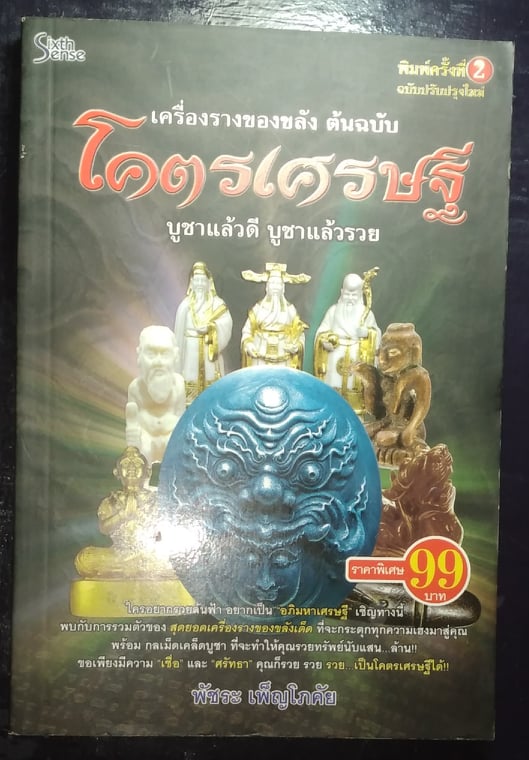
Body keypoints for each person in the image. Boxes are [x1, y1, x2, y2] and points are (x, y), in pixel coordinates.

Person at [74, 446, 173, 579]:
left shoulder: (156, 500)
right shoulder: (110, 501)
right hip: (119, 553)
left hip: (148, 553)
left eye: (137, 464)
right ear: (117, 472)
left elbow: (163, 530)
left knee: (177, 559)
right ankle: (136, 567)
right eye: (126, 464)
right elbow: (104, 528)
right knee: (84, 559)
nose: (131, 467)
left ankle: (128, 567)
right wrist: (123, 515)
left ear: (148, 472)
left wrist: (140, 515)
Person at [314, 269, 381, 416]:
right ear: (342, 292)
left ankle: (356, 414)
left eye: (354, 295)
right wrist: (325, 341)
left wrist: (367, 333)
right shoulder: (333, 311)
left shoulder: (366, 314)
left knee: (355, 386)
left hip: (356, 355)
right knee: (333, 388)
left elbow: (375, 334)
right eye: (347, 294)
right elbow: (321, 332)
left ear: (360, 295)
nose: (350, 298)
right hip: (335, 355)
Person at [174, 261, 232, 404]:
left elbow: (226, 323)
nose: (199, 284)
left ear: (208, 283)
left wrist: (211, 328)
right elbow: (179, 333)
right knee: (189, 379)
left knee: (210, 383)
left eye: (202, 280)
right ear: (192, 283)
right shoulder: (185, 306)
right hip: (190, 350)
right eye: (197, 280)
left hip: (208, 350)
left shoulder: (217, 304)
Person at [126, 325, 186, 465]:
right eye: (151, 354)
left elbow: (182, 418)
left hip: (171, 436)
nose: (158, 361)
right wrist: (132, 434)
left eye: (165, 354)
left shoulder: (179, 386)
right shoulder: (136, 388)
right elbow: (132, 420)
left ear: (175, 356)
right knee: (143, 452)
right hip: (145, 437)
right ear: (139, 355)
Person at [241, 262, 310, 368]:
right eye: (272, 283)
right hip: (260, 358)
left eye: (278, 284)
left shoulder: (290, 310)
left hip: (284, 358)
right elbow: (247, 331)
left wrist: (296, 346)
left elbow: (299, 333)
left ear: (283, 288)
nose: (275, 287)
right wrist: (248, 344)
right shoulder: (257, 309)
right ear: (266, 287)